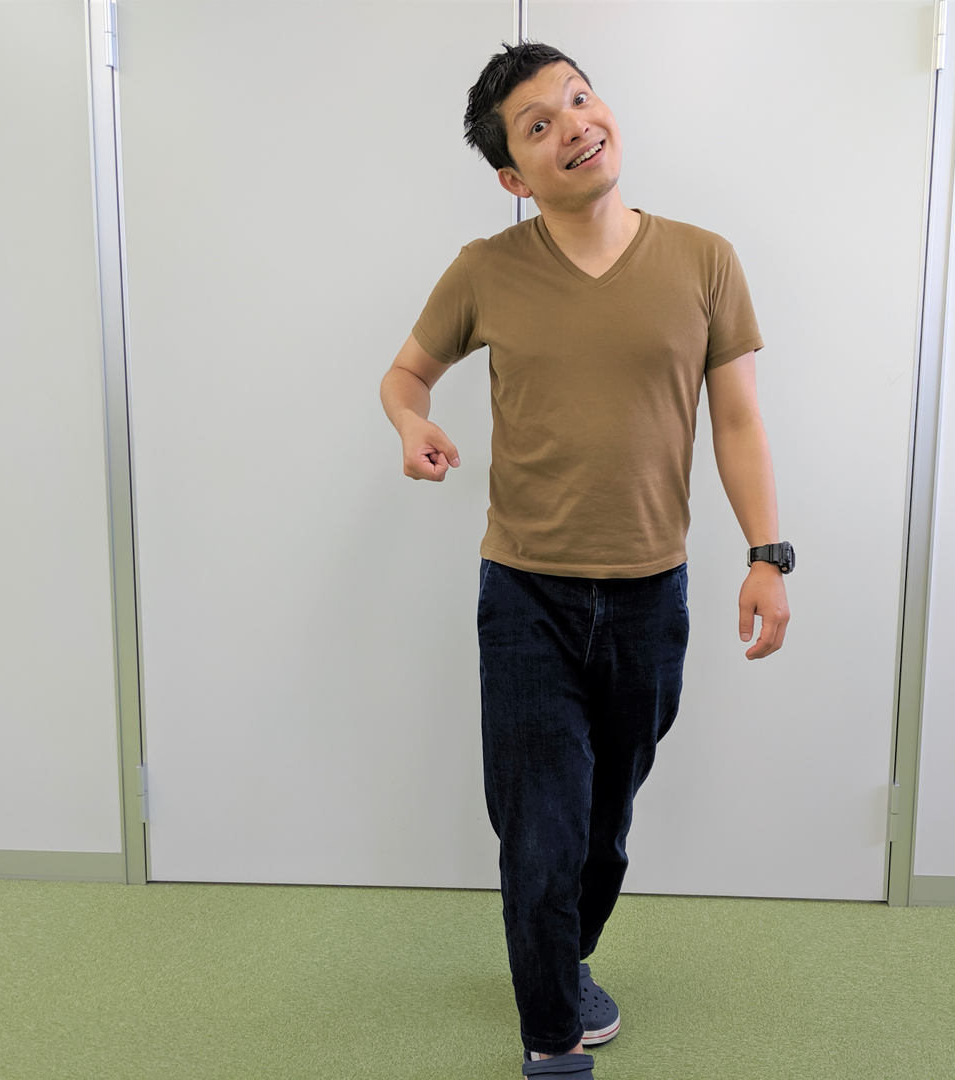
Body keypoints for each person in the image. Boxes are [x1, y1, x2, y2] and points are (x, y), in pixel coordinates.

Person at [378, 41, 793, 1079]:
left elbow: (739, 423)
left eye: (577, 98)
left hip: (652, 597)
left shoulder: (704, 260)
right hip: (526, 594)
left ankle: (562, 961)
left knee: (604, 831)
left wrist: (767, 554)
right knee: (540, 834)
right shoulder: (486, 269)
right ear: (514, 177)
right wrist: (410, 422)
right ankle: (553, 1044)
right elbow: (405, 375)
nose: (572, 125)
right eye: (538, 124)